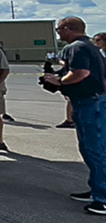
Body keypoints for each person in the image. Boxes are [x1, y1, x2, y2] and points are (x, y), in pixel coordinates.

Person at [43, 17, 106, 216]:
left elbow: (80, 72)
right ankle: (96, 188)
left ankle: (102, 198)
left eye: (59, 29)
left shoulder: (76, 48)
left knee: (93, 148)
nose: (58, 33)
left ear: (69, 29)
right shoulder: (92, 48)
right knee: (91, 147)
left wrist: (60, 81)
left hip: (87, 101)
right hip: (94, 100)